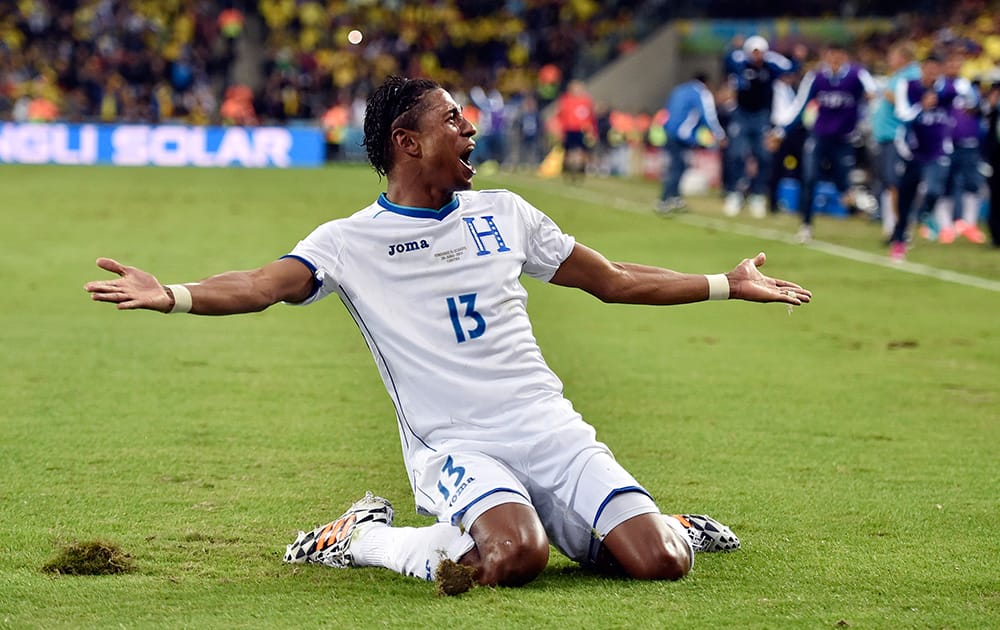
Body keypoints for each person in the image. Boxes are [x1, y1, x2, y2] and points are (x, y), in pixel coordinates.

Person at [85, 76, 812, 594]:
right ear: (408, 142)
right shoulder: (349, 241)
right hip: (454, 443)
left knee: (661, 560)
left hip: (548, 428)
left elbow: (614, 277)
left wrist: (725, 282)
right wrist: (172, 295)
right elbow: (259, 286)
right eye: (454, 120)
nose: (470, 129)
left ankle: (655, 520)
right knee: (512, 558)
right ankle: (360, 538)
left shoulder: (505, 212)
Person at [774, 42, 877, 243]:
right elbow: (800, 106)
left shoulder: (857, 75)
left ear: (845, 57)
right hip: (820, 136)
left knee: (844, 183)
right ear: (826, 57)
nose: (835, 61)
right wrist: (781, 131)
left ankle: (860, 203)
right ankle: (806, 225)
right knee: (809, 177)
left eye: (839, 56)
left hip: (845, 139)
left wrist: (867, 122)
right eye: (831, 57)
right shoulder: (816, 77)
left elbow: (874, 95)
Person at [889, 54, 971, 261]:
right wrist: (921, 107)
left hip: (938, 150)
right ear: (922, 70)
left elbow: (969, 97)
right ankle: (899, 241)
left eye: (936, 70)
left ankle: (926, 215)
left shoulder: (950, 89)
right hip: (912, 150)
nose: (932, 74)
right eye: (928, 69)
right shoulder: (908, 86)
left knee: (934, 189)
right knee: (905, 197)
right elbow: (902, 114)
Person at [723, 35, 795, 218]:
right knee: (737, 154)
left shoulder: (770, 67)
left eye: (760, 52)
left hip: (762, 116)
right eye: (754, 52)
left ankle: (757, 195)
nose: (757, 56)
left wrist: (774, 56)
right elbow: (728, 59)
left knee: (763, 156)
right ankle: (735, 193)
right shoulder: (740, 64)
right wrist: (734, 46)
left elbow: (790, 67)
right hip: (742, 114)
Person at [869, 42, 921, 239]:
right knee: (888, 183)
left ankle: (901, 229)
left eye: (893, 56)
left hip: (896, 137)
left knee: (896, 183)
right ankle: (892, 226)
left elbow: (906, 100)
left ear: (903, 58)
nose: (889, 60)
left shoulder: (911, 75)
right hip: (886, 137)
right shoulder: (900, 75)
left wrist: (885, 93)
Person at [657, 73, 727, 215]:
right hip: (682, 134)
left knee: (678, 166)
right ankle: (665, 200)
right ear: (706, 83)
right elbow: (708, 116)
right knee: (677, 167)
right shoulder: (701, 93)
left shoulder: (678, 90)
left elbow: (668, 111)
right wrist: (720, 135)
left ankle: (675, 198)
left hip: (669, 131)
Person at [555, 79, 597, 183]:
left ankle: (580, 171)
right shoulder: (566, 100)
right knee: (569, 152)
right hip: (569, 129)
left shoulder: (586, 101)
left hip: (582, 130)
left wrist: (592, 131)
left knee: (582, 152)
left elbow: (591, 117)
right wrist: (559, 130)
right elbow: (561, 116)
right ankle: (568, 171)